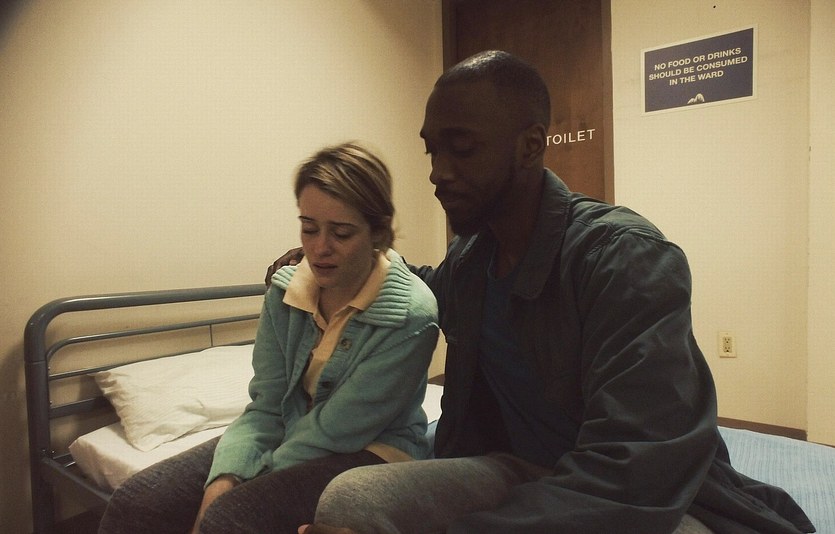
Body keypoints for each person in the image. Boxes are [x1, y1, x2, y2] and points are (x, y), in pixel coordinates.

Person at [271, 52, 814, 533]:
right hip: (522, 469)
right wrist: (348, 256)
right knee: (351, 499)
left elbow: (635, 465)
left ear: (530, 146)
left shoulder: (625, 259)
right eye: (432, 151)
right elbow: (425, 286)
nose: (438, 173)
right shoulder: (473, 258)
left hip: (643, 493)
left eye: (462, 149)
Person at [98, 142, 439, 534]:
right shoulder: (285, 293)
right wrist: (225, 475)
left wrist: (241, 487)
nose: (319, 248)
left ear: (378, 232)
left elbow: (336, 430)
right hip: (290, 428)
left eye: (342, 233)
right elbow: (267, 404)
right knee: (137, 501)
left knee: (232, 518)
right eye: (308, 228)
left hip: (371, 448)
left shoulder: (410, 315)